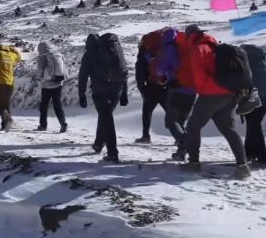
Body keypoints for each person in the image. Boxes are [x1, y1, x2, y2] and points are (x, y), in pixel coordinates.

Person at [181, 32, 250, 179]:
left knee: (193, 126)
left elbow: (199, 74)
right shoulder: (216, 47)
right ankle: (242, 165)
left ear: (190, 36)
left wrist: (202, 91)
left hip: (211, 93)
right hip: (230, 93)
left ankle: (193, 162)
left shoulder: (199, 48)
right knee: (229, 129)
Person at [78, 33, 129, 163]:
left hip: (100, 91)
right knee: (105, 116)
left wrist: (82, 94)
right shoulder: (112, 50)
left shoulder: (89, 54)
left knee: (106, 119)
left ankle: (112, 153)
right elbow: (123, 70)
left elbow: (83, 76)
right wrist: (124, 93)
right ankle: (99, 143)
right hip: (117, 88)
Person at [156, 27, 198, 160]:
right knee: (180, 122)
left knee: (171, 121)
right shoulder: (187, 47)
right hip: (193, 90)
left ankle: (186, 143)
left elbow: (160, 70)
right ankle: (181, 152)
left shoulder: (170, 49)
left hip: (178, 89)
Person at [241, 44, 266, 165]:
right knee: (253, 124)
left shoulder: (248, 63)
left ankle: (262, 155)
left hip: (254, 98)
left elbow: (245, 81)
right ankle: (248, 152)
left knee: (254, 124)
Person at [135, 30, 168, 144]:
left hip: (151, 86)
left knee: (147, 112)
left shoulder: (144, 53)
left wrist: (142, 88)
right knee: (171, 113)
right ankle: (180, 137)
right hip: (164, 85)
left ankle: (146, 136)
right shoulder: (162, 50)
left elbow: (140, 72)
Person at [35, 42, 67, 132]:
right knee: (57, 105)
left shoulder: (43, 56)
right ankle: (63, 123)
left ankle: (43, 125)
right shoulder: (58, 55)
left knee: (44, 106)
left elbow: (39, 70)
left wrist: (40, 78)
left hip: (47, 85)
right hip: (58, 83)